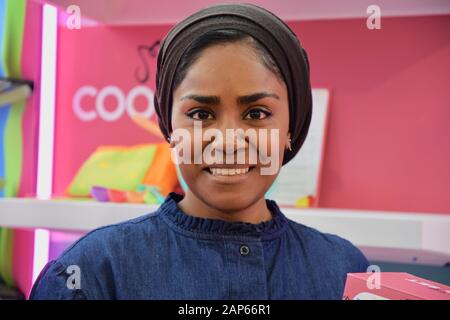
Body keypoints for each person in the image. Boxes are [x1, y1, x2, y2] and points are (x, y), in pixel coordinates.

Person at [30, 3, 368, 300]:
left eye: (256, 114)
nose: (228, 141)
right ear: (170, 128)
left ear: (290, 129)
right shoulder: (90, 274)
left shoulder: (344, 270)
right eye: (201, 115)